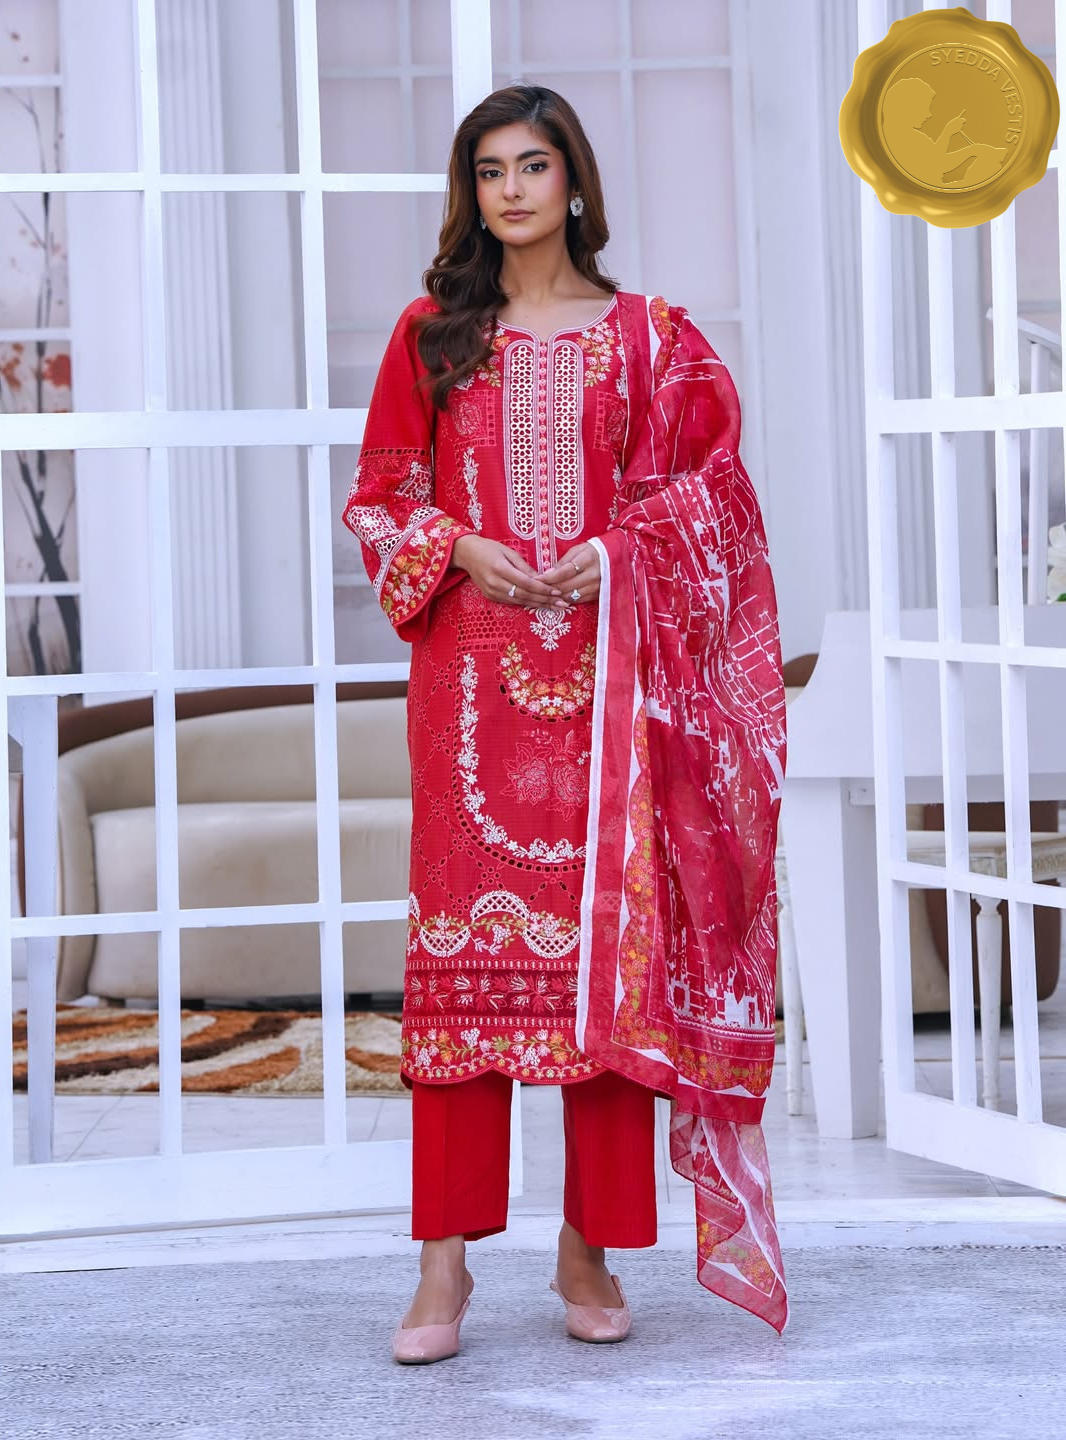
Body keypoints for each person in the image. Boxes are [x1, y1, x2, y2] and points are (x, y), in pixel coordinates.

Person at [342, 83, 789, 1364]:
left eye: (533, 167)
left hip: (614, 687)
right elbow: (380, 494)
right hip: (471, 691)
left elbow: (715, 498)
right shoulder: (433, 334)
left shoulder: (652, 337)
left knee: (607, 968)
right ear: (471, 192)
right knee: (460, 978)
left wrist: (614, 553)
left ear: (575, 182)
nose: (512, 191)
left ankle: (590, 1245)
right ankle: (442, 1266)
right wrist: (458, 546)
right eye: (489, 171)